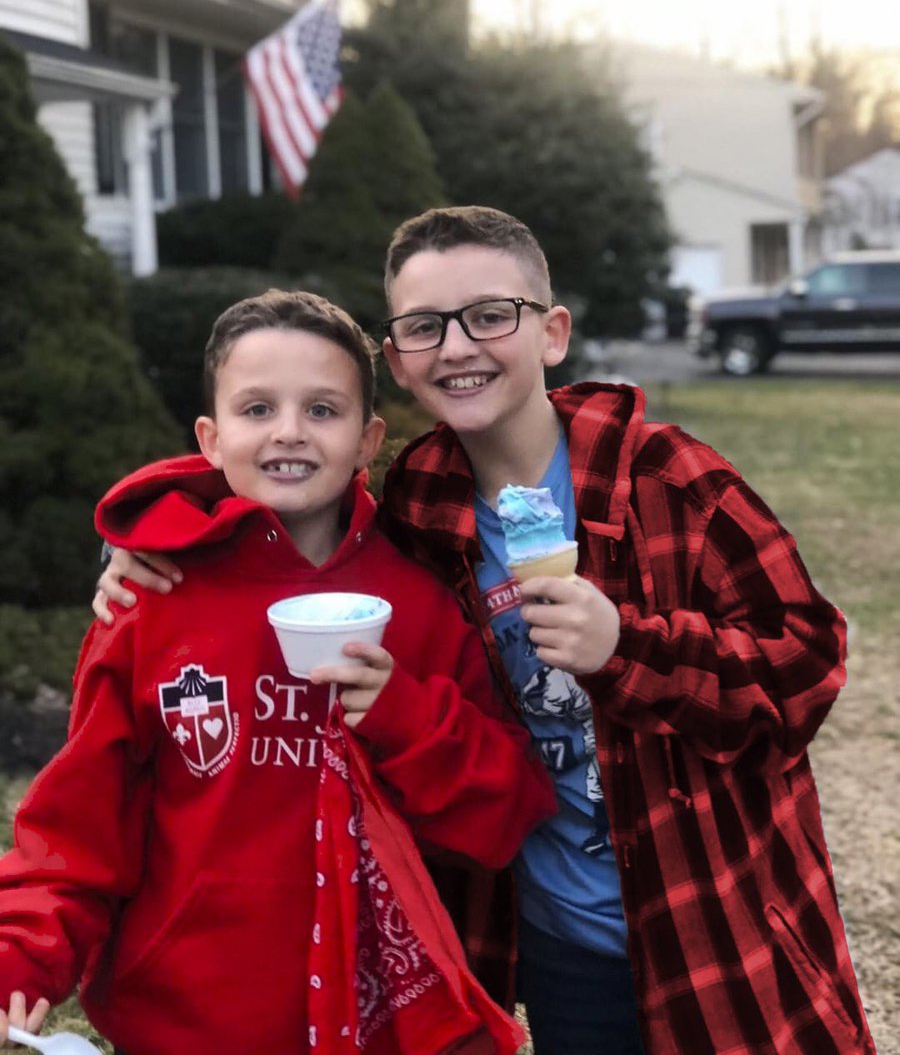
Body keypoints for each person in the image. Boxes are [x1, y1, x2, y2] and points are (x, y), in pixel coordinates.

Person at [92, 208, 876, 1055]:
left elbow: (809, 662)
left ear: (552, 333)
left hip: (716, 915)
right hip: (558, 933)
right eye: (426, 327)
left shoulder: (671, 480)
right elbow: (298, 495)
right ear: (397, 359)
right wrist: (153, 538)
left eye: (491, 315)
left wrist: (629, 646)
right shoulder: (421, 500)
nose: (459, 347)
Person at [0, 288, 557, 1055]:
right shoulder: (151, 601)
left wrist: (402, 712)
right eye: (257, 409)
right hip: (185, 1023)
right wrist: (18, 961)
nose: (289, 432)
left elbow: (505, 813)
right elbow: (77, 828)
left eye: (323, 410)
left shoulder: (420, 607)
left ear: (368, 441)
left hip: (385, 1028)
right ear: (211, 436)